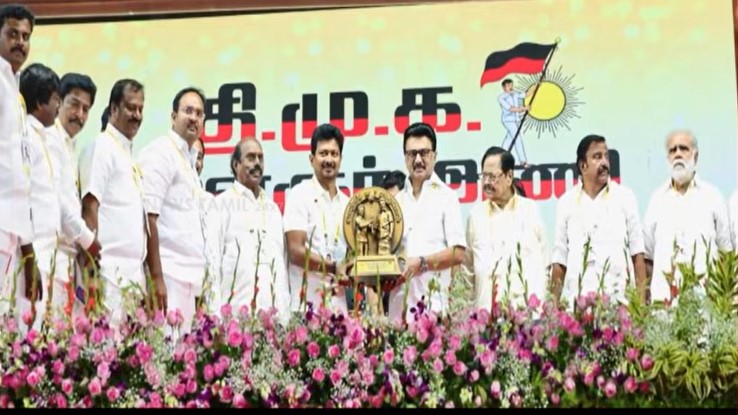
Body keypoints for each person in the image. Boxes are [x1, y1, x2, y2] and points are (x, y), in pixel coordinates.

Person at [138, 87, 208, 332]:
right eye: (188, 111)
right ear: (173, 116)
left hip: (191, 279)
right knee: (165, 350)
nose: (194, 117)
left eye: (199, 113)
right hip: (168, 275)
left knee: (185, 355)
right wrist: (156, 278)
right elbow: (148, 216)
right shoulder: (161, 152)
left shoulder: (190, 161)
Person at [79, 79, 148, 326]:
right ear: (114, 109)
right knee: (107, 345)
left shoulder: (128, 154)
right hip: (108, 273)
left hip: (132, 275)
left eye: (140, 109)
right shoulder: (102, 147)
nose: (137, 115)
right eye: (131, 107)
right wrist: (91, 274)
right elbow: (89, 206)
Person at [551, 135, 647, 309]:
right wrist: (553, 309)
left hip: (619, 306)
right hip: (578, 309)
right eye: (597, 157)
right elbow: (559, 260)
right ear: (583, 166)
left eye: (606, 157)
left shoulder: (625, 197)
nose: (604, 163)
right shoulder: (566, 202)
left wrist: (640, 308)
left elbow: (637, 255)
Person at [386, 122, 466, 322]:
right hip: (398, 312)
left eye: (424, 153)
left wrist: (422, 263)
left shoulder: (447, 197)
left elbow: (458, 252)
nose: (418, 160)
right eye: (412, 154)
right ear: (405, 157)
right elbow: (386, 252)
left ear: (434, 156)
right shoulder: (395, 202)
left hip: (434, 310)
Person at [643, 130, 733, 304]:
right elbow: (647, 259)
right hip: (665, 308)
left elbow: (726, 255)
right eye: (672, 150)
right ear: (668, 158)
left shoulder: (713, 197)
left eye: (683, 148)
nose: (677, 154)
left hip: (705, 306)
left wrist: (724, 302)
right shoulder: (656, 200)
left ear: (695, 156)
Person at [210, 138, 291, 323]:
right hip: (234, 321)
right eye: (251, 157)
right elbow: (212, 265)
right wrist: (215, 320)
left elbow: (282, 265)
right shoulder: (221, 205)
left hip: (273, 322)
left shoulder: (273, 210)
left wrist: (284, 318)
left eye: (260, 158)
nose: (257, 163)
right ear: (236, 164)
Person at [464, 146, 549, 312]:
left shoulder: (530, 210)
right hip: (487, 317)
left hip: (527, 315)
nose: (486, 182)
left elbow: (546, 264)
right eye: (484, 176)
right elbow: (468, 271)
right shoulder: (475, 216)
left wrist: (541, 306)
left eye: (492, 177)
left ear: (509, 176)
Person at [46, 72, 102, 318]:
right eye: (74, 104)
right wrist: (90, 242)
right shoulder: (50, 139)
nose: (79, 114)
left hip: (66, 261)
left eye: (85, 109)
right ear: (59, 101)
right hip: (49, 255)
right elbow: (59, 205)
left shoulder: (70, 146)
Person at [284, 123, 350, 314]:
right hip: (305, 308)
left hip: (338, 310)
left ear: (341, 159)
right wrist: (334, 267)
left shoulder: (348, 204)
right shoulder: (298, 195)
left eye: (334, 154)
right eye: (323, 153)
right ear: (312, 159)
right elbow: (295, 251)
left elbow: (353, 256)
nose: (329, 159)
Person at [0, 4, 36, 316]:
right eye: (13, 34)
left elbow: (19, 173)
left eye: (25, 36)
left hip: (11, 227)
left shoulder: (14, 89)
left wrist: (27, 245)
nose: (20, 42)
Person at [498, 79, 535, 166]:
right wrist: (524, 108)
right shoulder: (501, 97)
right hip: (508, 120)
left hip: (516, 120)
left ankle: (500, 159)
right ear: (504, 87)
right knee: (517, 138)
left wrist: (536, 85)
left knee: (509, 139)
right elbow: (511, 109)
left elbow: (527, 94)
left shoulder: (516, 94)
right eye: (508, 85)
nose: (510, 87)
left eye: (511, 85)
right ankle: (523, 161)